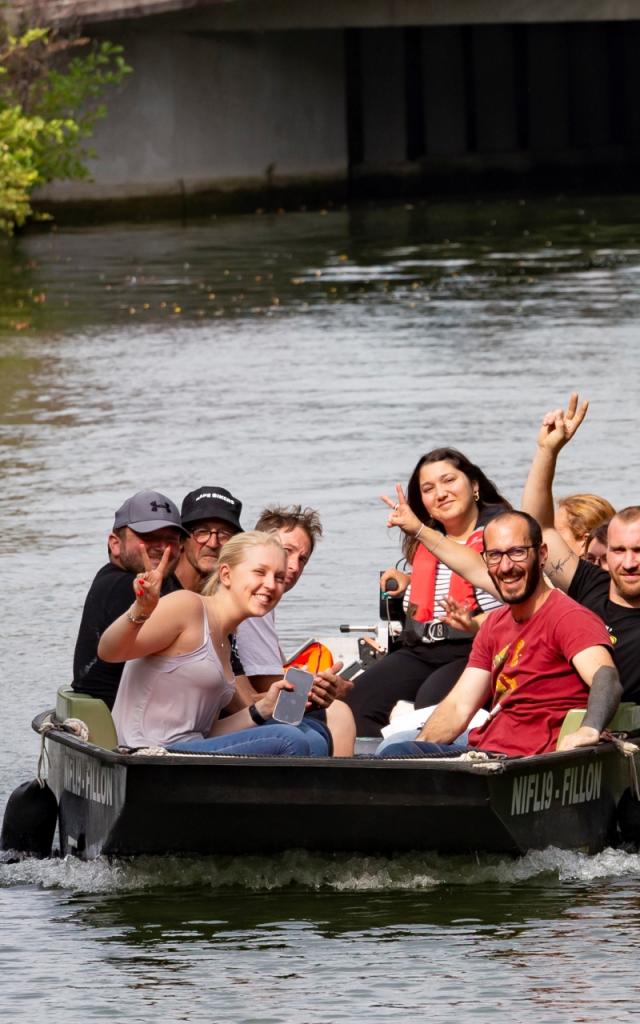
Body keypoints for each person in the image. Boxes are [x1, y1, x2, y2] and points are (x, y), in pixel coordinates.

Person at [379, 511, 621, 759]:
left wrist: (589, 730)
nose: (506, 567)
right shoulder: (495, 623)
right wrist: (418, 755)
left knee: (398, 749)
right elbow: (459, 706)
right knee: (395, 748)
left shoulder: (568, 617)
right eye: (494, 556)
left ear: (542, 555)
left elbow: (606, 676)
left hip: (526, 762)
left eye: (517, 552)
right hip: (485, 749)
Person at [100, 532, 329, 757]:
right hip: (147, 753)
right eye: (260, 572)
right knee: (288, 739)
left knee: (315, 733)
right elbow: (109, 652)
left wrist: (262, 709)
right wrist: (140, 610)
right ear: (226, 574)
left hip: (191, 750)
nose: (271, 585)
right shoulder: (188, 606)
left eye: (279, 577)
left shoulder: (224, 640)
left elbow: (205, 733)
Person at [344, 448, 510, 737]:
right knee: (356, 702)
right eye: (428, 489)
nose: (441, 493)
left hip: (478, 649)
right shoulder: (427, 540)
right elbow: (441, 580)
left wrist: (474, 625)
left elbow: (518, 607)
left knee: (432, 705)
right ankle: (376, 770)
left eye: (449, 481)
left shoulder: (501, 536)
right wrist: (408, 582)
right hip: (421, 649)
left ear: (474, 486)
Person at [521, 393, 640, 703]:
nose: (629, 563)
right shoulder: (590, 585)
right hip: (547, 717)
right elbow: (539, 526)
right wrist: (547, 451)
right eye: (619, 550)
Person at [234, 505, 356, 756]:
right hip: (242, 714)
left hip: (250, 706)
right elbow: (269, 686)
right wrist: (327, 690)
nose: (294, 566)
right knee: (339, 713)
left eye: (303, 559)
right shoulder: (255, 607)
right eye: (286, 551)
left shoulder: (263, 602)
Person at [72, 489, 186, 709]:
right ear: (115, 544)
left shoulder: (166, 581)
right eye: (149, 537)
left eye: (170, 539)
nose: (162, 547)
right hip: (122, 728)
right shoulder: (122, 587)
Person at [175, 486, 244, 593]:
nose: (213, 543)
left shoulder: (237, 598)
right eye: (202, 532)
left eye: (224, 534)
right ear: (181, 539)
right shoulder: (152, 589)